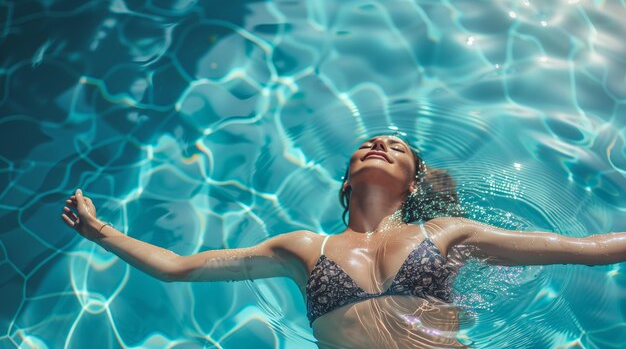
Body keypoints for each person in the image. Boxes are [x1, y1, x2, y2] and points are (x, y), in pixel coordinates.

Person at [61, 134, 625, 349]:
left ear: (412, 181)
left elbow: (592, 249)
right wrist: (99, 232)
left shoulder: (449, 233)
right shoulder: (302, 248)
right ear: (346, 179)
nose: (380, 144)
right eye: (368, 145)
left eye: (397, 149)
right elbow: (179, 268)